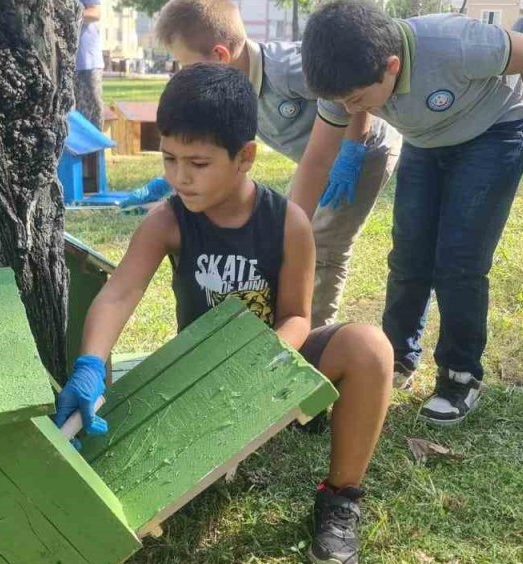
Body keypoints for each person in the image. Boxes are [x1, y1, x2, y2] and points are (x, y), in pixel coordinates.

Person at [55, 64, 394, 564]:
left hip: (274, 360)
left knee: (371, 348)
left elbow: (299, 316)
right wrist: (88, 363)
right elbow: (119, 293)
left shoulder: (288, 223)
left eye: (197, 162)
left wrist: (266, 364)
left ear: (245, 157)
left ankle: (340, 498)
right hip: (202, 378)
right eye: (168, 159)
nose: (179, 177)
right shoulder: (167, 219)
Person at [291, 0, 523, 424]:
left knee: (459, 260)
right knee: (408, 254)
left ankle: (460, 375)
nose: (350, 108)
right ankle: (397, 358)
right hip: (425, 141)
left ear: (391, 66)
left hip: (492, 130)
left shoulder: (453, 44)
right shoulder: (344, 78)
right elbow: (316, 160)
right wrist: (290, 230)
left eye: (356, 100)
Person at [130, 0, 403, 327]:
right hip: (315, 159)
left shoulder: (290, 69)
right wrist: (171, 179)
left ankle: (313, 335)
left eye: (184, 64)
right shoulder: (230, 90)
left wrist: (353, 148)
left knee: (323, 242)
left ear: (220, 56)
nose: (181, 74)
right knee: (291, 236)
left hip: (363, 153)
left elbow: (348, 86)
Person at [76, 0, 105, 128]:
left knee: (91, 115)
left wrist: (69, 15)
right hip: (60, 62)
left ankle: (96, 148)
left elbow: (95, 12)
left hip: (86, 62)